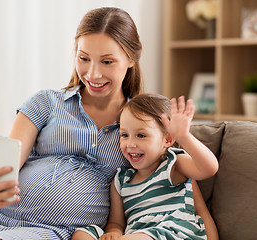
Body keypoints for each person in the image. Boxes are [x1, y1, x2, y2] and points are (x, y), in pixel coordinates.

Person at [0, 7, 217, 240]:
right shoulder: (45, 102)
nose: (93, 73)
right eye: (84, 58)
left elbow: (182, 182)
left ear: (131, 59)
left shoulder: (143, 125)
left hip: (55, 228)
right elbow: (10, 157)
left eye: (107, 62)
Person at [72, 94, 219, 240]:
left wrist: (184, 137)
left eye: (141, 135)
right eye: (124, 135)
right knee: (82, 234)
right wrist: (114, 232)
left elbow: (209, 168)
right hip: (133, 234)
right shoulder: (121, 180)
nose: (130, 144)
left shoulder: (174, 164)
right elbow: (116, 223)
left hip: (171, 233)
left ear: (167, 139)